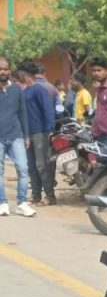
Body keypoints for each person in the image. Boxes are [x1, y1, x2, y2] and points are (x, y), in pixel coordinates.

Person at [0, 56, 35, 217]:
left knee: (23, 168)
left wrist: (26, 135)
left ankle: (21, 202)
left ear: (10, 70)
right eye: (0, 69)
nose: (3, 71)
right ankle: (3, 203)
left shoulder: (16, 89)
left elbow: (23, 114)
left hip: (16, 135)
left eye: (5, 69)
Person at [21, 63, 56, 205]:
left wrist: (50, 129)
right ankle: (36, 196)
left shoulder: (39, 90)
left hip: (40, 132)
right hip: (28, 134)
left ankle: (50, 196)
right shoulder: (24, 91)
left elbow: (48, 110)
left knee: (42, 165)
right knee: (31, 166)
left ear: (25, 74)